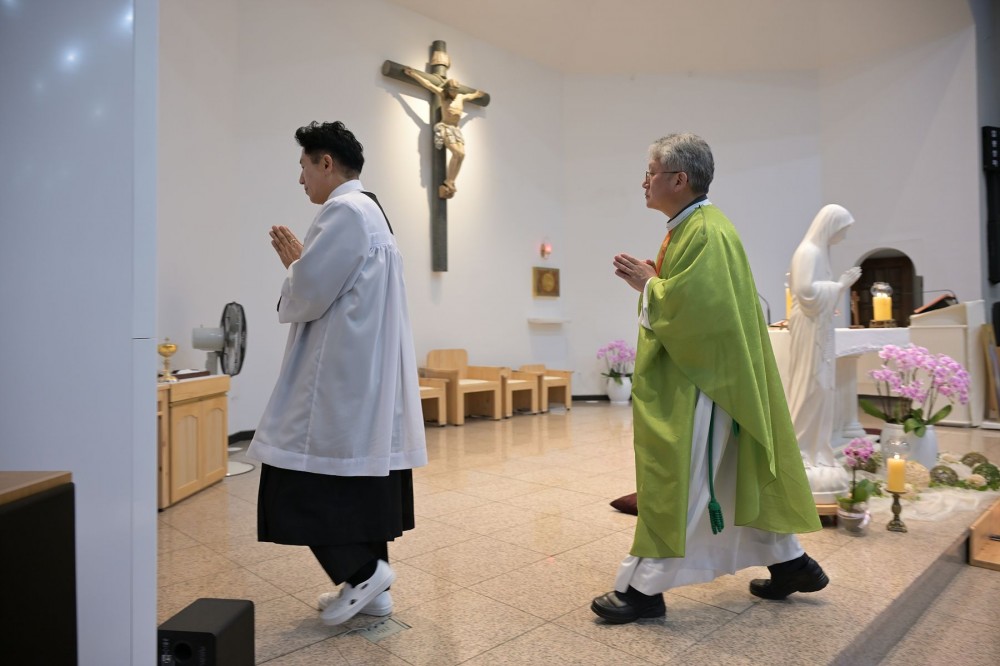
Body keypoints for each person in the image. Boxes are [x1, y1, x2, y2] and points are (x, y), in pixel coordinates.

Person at [592, 133, 827, 624]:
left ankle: (645, 588)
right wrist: (657, 283)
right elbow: (695, 300)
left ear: (679, 179)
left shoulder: (705, 231)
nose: (644, 182)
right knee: (728, 477)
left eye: (651, 173)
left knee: (684, 482)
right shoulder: (692, 227)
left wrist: (650, 286)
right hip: (711, 377)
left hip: (705, 386)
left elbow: (701, 313)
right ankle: (791, 564)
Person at [247, 121, 427, 627]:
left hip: (334, 381)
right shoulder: (372, 211)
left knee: (296, 484)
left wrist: (294, 267)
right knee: (360, 486)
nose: (301, 179)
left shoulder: (343, 212)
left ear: (326, 162)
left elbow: (308, 296)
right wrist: (305, 269)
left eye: (304, 166)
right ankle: (372, 592)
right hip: (362, 376)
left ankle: (363, 572)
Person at [787, 205, 862, 500]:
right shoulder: (808, 252)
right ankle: (800, 450)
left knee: (824, 388)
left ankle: (816, 448)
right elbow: (805, 292)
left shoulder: (821, 253)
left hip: (818, 328)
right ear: (830, 226)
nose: (844, 237)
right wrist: (840, 285)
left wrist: (837, 287)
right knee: (810, 386)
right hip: (808, 330)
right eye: (843, 230)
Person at [403, 67, 484, 199]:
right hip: (446, 127)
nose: (454, 92)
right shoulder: (443, 96)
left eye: (456, 89)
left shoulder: (461, 97)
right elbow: (428, 84)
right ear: (447, 89)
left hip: (456, 129)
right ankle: (448, 181)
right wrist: (413, 74)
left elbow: (471, 96)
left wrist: (478, 94)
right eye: (452, 89)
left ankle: (451, 180)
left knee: (462, 155)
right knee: (457, 153)